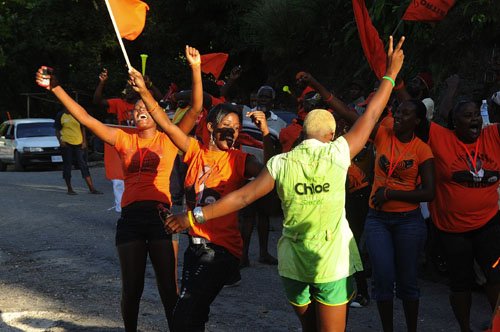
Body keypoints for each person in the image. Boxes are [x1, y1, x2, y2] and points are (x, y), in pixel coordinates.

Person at [164, 36, 406, 331]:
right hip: (331, 265)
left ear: (302, 132)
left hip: (294, 266)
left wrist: (192, 217)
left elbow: (241, 198)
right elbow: (370, 116)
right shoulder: (339, 153)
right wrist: (390, 75)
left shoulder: (280, 164)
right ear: (331, 135)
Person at [36, 45, 203, 332]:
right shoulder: (123, 138)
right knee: (132, 289)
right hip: (130, 220)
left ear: (155, 111)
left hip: (161, 217)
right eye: (135, 108)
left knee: (168, 288)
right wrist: (56, 88)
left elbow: (197, 108)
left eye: (144, 107)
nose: (139, 110)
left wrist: (195, 68)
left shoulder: (169, 139)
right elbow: (86, 119)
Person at [128, 66, 275, 331]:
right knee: (192, 316)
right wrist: (144, 92)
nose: (232, 132)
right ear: (210, 127)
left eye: (237, 128)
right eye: (226, 126)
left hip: (220, 251)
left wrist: (265, 133)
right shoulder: (194, 151)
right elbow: (163, 121)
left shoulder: (240, 160)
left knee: (183, 317)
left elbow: (272, 172)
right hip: (195, 248)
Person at [363, 99, 435, 332]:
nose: (397, 117)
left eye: (405, 114)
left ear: (417, 121)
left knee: (407, 282)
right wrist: (324, 92)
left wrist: (390, 193)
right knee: (382, 278)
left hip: (408, 223)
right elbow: (355, 117)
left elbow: (429, 192)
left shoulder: (422, 149)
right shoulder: (383, 134)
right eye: (397, 112)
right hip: (377, 219)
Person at [430, 97, 500, 332]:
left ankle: (496, 325)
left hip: (488, 222)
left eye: (476, 115)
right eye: (467, 115)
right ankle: (465, 328)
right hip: (452, 230)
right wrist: (395, 83)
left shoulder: (493, 136)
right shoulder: (441, 137)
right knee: (460, 284)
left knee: (495, 276)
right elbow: (413, 110)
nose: (474, 119)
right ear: (454, 123)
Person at [239, 85, 288, 267]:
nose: (264, 100)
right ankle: (243, 255)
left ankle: (263, 253)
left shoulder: (280, 123)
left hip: (267, 173)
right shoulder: (245, 113)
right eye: (261, 97)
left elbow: (280, 149)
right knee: (247, 215)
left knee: (264, 215)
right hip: (245, 171)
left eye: (268, 97)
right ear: (256, 98)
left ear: (273, 100)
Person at [54, 108, 103, 195]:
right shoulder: (60, 115)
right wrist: (60, 141)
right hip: (66, 144)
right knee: (67, 166)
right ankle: (70, 189)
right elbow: (57, 130)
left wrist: (84, 141)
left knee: (83, 165)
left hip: (79, 143)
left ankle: (91, 188)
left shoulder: (77, 114)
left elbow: (82, 128)